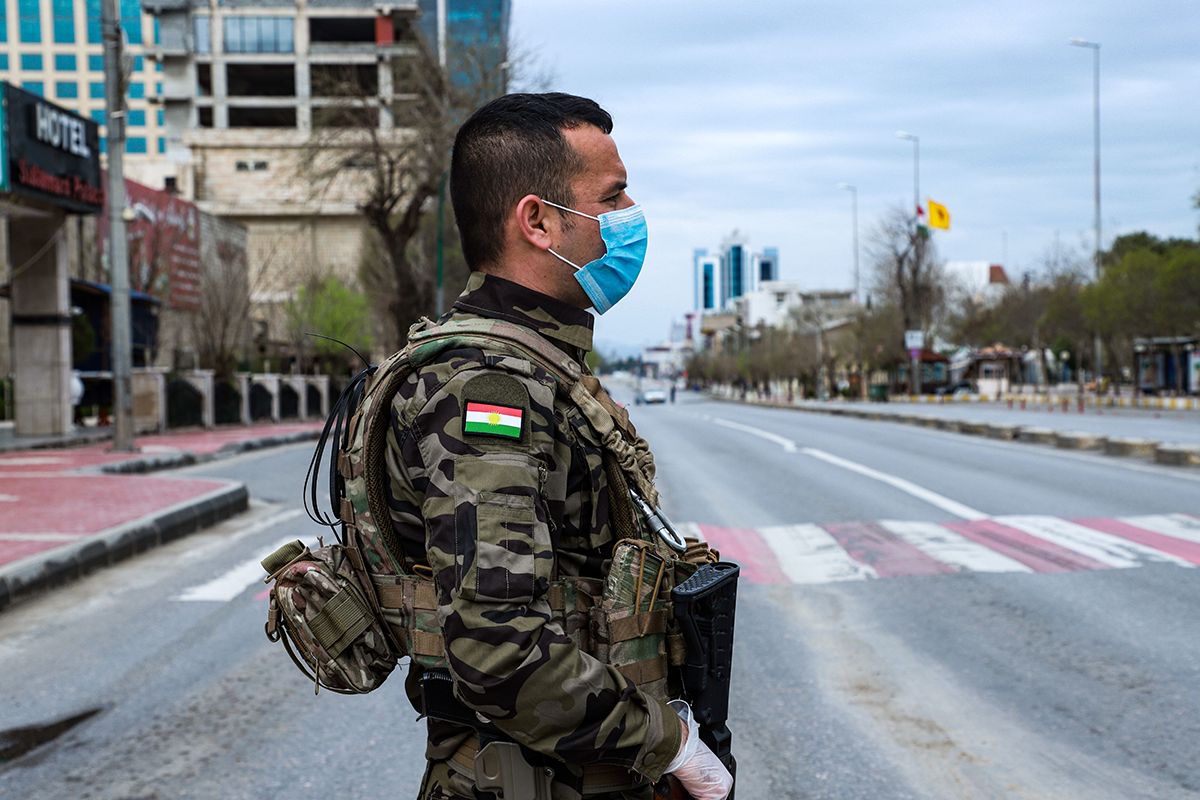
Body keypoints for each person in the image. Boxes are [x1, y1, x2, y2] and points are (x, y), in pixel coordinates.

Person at [384, 93, 732, 800]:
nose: (632, 211)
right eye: (613, 195)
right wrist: (674, 747)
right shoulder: (488, 390)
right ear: (537, 221)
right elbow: (499, 648)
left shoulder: (535, 365)